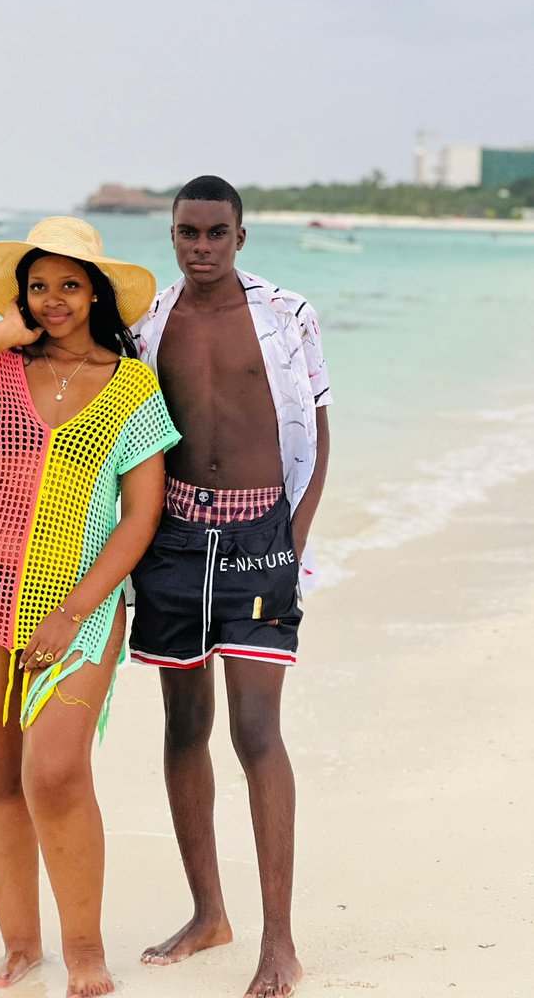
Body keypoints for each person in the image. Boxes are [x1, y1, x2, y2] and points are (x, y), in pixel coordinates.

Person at [0, 217, 179, 996]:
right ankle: (20, 947)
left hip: (80, 608)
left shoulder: (131, 387)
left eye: (69, 285)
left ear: (97, 295)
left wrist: (73, 611)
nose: (54, 299)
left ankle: (84, 951)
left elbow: (139, 518)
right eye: (39, 285)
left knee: (55, 772)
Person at [129, 176, 331, 998]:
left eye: (216, 232)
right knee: (184, 725)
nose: (201, 246)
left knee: (255, 731)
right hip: (174, 539)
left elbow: (317, 428)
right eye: (188, 231)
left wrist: (293, 538)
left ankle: (279, 941)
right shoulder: (147, 324)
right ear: (172, 235)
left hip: (258, 540)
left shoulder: (287, 315)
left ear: (240, 237)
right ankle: (207, 914)